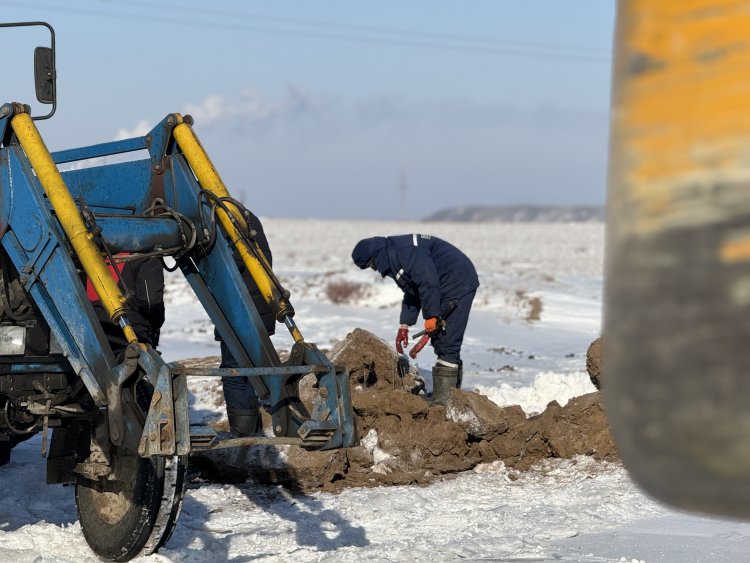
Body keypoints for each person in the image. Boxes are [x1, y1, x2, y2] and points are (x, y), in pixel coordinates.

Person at [351, 234, 479, 405]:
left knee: (447, 341)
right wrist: (404, 325)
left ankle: (444, 403)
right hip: (444, 284)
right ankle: (450, 397)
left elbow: (428, 282)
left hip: (457, 281)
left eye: (371, 265)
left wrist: (431, 317)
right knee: (441, 340)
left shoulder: (405, 252)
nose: (375, 270)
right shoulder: (394, 255)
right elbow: (413, 291)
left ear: (376, 255)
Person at [214, 210, 276, 436]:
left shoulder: (221, 221)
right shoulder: (245, 218)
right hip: (260, 305)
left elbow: (225, 265)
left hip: (239, 309)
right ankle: (261, 423)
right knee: (253, 368)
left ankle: (244, 431)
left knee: (234, 372)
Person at [86, 255, 165, 356]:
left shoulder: (80, 253)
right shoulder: (146, 256)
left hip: (89, 337)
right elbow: (151, 303)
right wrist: (154, 327)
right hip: (132, 338)